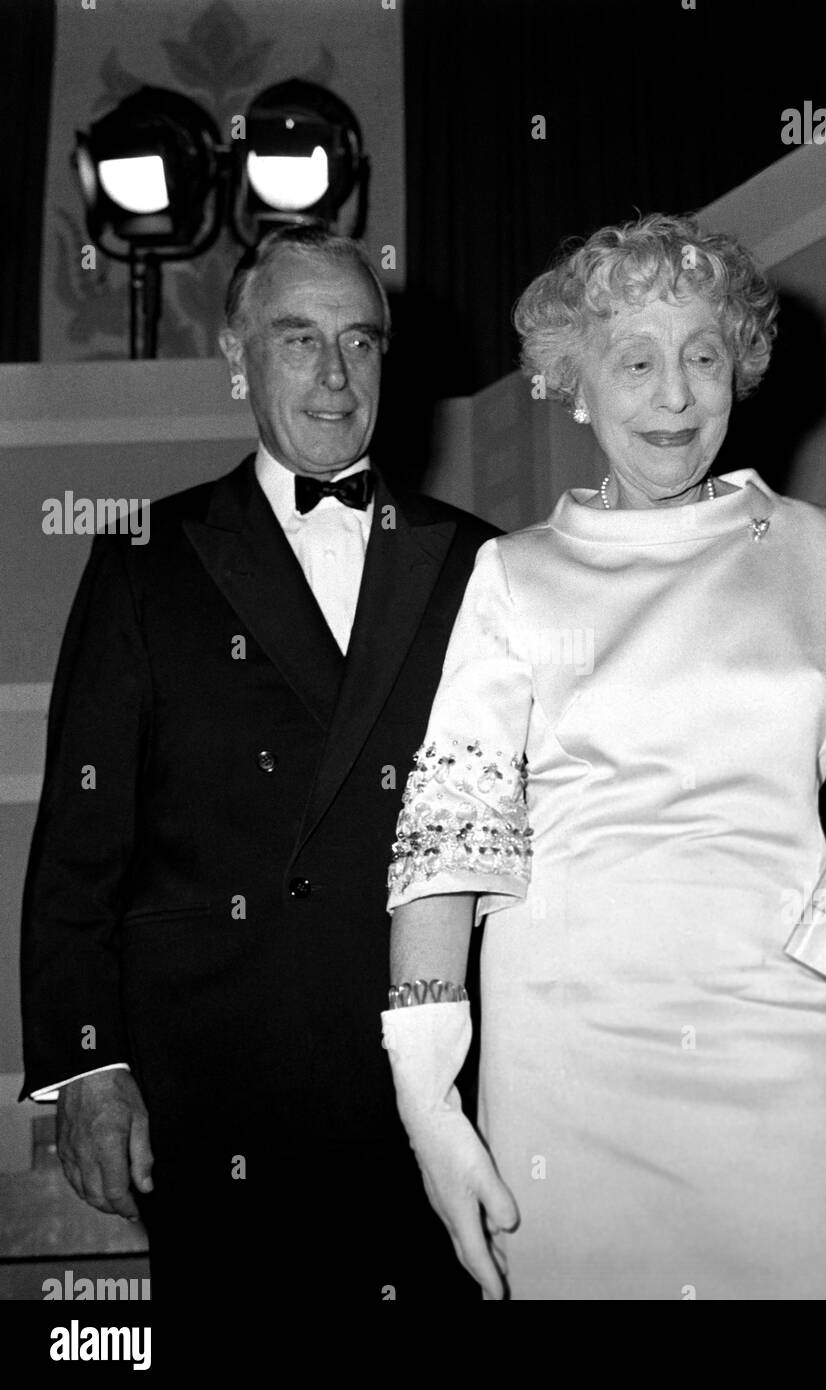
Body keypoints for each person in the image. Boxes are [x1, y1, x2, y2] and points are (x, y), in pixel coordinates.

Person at [379, 213, 826, 1301]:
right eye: (635, 362)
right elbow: (451, 837)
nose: (675, 395)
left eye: (702, 356)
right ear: (578, 386)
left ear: (739, 370)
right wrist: (425, 1089)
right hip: (572, 1057)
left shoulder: (817, 549)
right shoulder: (514, 577)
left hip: (792, 1041)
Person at [20, 225, 496, 1305]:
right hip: (220, 1093)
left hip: (444, 1082)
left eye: (360, 343)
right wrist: (89, 1067)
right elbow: (82, 846)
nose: (334, 375)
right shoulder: (145, 558)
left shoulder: (483, 561)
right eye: (298, 340)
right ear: (236, 358)